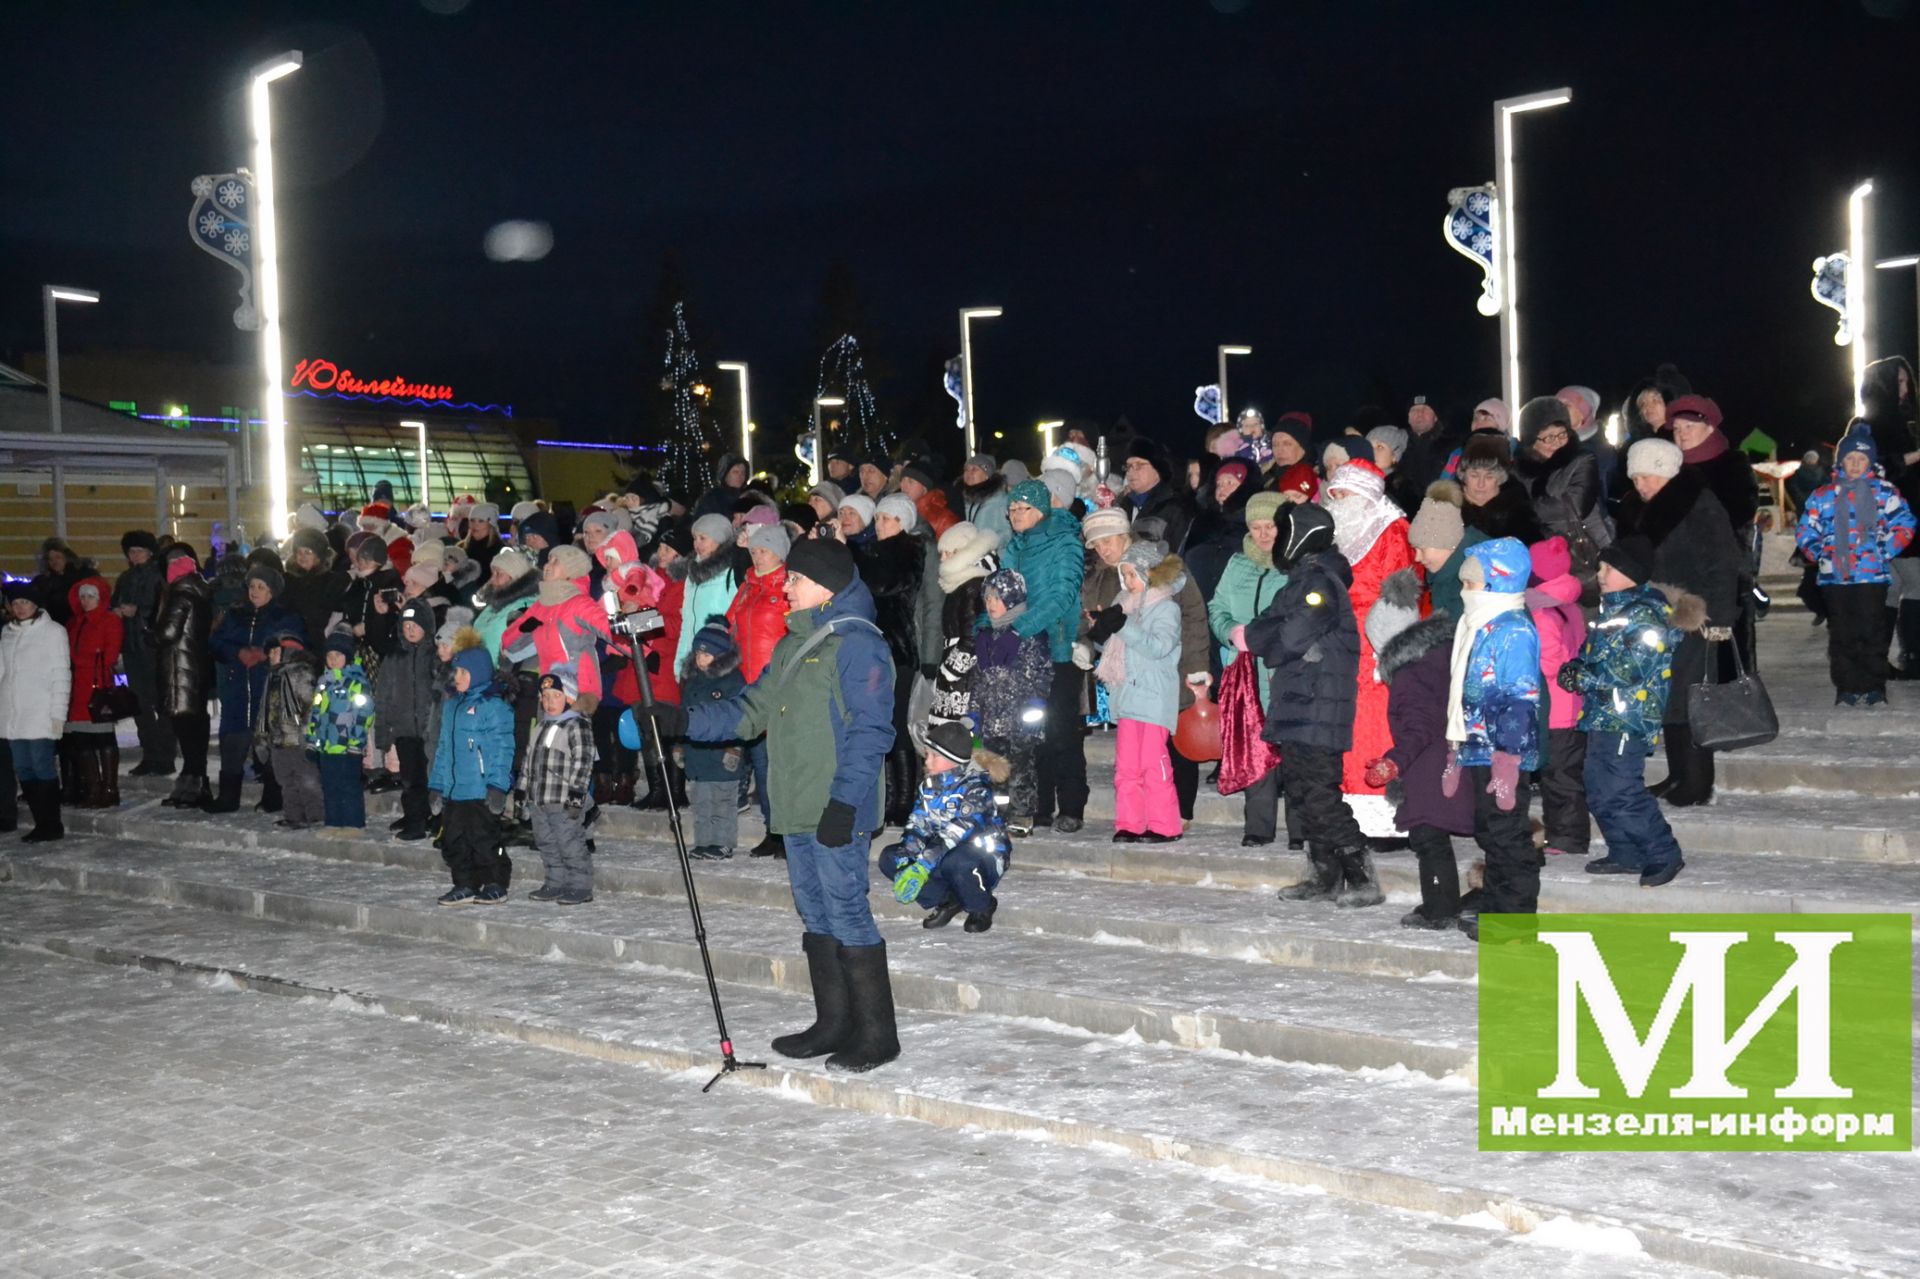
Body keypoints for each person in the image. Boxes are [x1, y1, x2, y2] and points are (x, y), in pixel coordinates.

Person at [649, 537, 900, 1073]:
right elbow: (749, 712)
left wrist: (845, 802)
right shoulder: (792, 645)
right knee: (814, 910)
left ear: (826, 586)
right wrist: (685, 721)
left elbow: (872, 731)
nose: (785, 586)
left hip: (836, 804)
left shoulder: (857, 645)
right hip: (794, 802)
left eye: (795, 579)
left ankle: (877, 1035)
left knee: (847, 909)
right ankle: (834, 1023)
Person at [1240, 505, 1379, 906]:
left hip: (1320, 703)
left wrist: (1263, 637)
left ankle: (1361, 876)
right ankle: (1324, 875)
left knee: (1319, 792)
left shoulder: (1319, 582)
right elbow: (1263, 625)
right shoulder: (1301, 581)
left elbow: (1289, 637)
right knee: (1302, 793)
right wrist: (1262, 634)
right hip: (1301, 701)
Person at [1560, 537, 1698, 887]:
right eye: (1601, 566)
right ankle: (1625, 851)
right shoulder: (1614, 610)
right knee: (1597, 786)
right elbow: (1597, 655)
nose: (1600, 573)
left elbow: (1631, 668)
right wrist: (1576, 665)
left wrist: (1583, 676)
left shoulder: (1646, 613)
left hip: (1629, 718)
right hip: (1602, 716)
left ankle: (1663, 853)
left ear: (1631, 574)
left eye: (1609, 568)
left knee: (1621, 789)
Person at [1613, 438, 1745, 806]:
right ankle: (1678, 775)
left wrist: (1717, 617)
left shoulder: (1699, 503)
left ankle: (1697, 782)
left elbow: (1722, 562)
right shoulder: (1635, 508)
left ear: (1667, 472)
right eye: (1636, 478)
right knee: (1668, 699)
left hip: (1693, 614)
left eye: (1648, 477)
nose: (1641, 486)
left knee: (1692, 699)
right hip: (1653, 614)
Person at [1363, 568, 1474, 929]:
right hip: (1454, 759)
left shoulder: (1410, 675)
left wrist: (1393, 764)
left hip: (1429, 769)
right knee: (1435, 837)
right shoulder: (1440, 655)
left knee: (1429, 838)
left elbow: (1418, 727)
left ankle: (1440, 909)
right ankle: (1447, 904)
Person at [1444, 539, 1544, 940]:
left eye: (1471, 583)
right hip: (1478, 746)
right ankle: (1497, 907)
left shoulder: (1513, 629)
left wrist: (1507, 756)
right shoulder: (1477, 623)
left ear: (1495, 584)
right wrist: (1459, 747)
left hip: (1504, 752)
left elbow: (1520, 698)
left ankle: (1517, 919)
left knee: (1507, 834)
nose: (1464, 590)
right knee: (1491, 831)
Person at [1323, 459, 1414, 839]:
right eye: (1334, 494)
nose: (1337, 501)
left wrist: (1387, 648)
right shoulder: (1342, 533)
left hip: (1374, 644)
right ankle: (1355, 817)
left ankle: (1386, 823)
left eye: (1344, 494)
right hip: (1343, 643)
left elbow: (1399, 593)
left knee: (1377, 731)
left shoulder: (1391, 531)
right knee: (1350, 732)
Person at [1796, 422, 1916, 706]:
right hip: (1834, 577)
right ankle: (1847, 685)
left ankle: (1873, 684)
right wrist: (1818, 553)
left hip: (1871, 576)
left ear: (1870, 463)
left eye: (1861, 459)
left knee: (1872, 631)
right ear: (1840, 461)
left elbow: (1905, 523)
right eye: (1849, 458)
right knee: (1842, 633)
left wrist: (1885, 550)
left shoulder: (1883, 492)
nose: (1855, 464)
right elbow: (1806, 529)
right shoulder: (1825, 495)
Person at [999, 479, 1087, 833]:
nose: (1018, 515)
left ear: (1041, 510)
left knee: (1061, 731)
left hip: (1056, 648)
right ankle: (1037, 806)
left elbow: (1062, 595)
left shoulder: (1064, 541)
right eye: (1013, 509)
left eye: (1025, 508)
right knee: (1029, 732)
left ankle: (1071, 806)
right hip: (1021, 655)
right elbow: (1000, 594)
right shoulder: (1013, 547)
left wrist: (1021, 629)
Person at [1206, 492, 1290, 847]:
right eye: (1255, 527)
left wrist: (1269, 639)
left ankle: (1300, 829)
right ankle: (1258, 826)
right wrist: (1230, 633)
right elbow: (1217, 606)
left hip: (1282, 667)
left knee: (1292, 748)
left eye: (1269, 525)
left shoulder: (1294, 564)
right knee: (1255, 745)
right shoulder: (1238, 564)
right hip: (1243, 672)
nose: (1262, 534)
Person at [878, 720, 1012, 932]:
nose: (927, 761)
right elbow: (918, 824)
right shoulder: (930, 786)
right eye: (927, 754)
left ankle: (982, 905)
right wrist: (907, 856)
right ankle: (948, 899)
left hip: (980, 857)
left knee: (956, 862)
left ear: (953, 761)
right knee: (890, 857)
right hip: (940, 853)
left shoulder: (976, 789)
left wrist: (921, 866)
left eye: (934, 756)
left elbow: (954, 835)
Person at [1095, 541, 1187, 844]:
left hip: (1153, 697)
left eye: (1132, 575)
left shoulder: (1167, 608)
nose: (1127, 582)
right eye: (1125, 576)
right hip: (1128, 698)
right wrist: (1100, 630)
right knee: (1127, 766)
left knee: (1153, 763)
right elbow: (1113, 648)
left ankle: (1164, 824)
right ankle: (1129, 823)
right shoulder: (1125, 606)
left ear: (1149, 575)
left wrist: (1121, 626)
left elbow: (1158, 647)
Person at [429, 628, 519, 905]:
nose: (456, 679)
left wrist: (497, 786)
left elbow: (503, 750)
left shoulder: (493, 708)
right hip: (456, 790)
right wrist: (437, 785)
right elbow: (444, 749)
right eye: (455, 673)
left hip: (480, 789)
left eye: (462, 673)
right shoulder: (452, 706)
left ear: (478, 673)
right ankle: (465, 883)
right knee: (455, 841)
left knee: (484, 840)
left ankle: (495, 881)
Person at [860, 494, 933, 826]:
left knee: (898, 723)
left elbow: (883, 583)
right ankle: (891, 794)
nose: (879, 525)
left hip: (899, 649)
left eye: (886, 519)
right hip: (877, 649)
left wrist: (852, 551)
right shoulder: (877, 552)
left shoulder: (907, 551)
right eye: (877, 519)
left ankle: (905, 797)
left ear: (902, 522)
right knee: (882, 722)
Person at [207, 563, 301, 813]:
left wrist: (266, 653)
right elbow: (215, 643)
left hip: (268, 689)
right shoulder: (235, 614)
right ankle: (228, 797)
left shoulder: (284, 616)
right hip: (238, 689)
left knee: (271, 744)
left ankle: (274, 796)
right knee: (232, 742)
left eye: (261, 587)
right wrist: (237, 652)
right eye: (252, 586)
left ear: (272, 591)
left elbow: (297, 645)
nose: (255, 592)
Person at [726, 520, 791, 856]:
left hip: (779, 684)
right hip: (748, 685)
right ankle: (773, 829)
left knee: (782, 762)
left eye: (764, 550)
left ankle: (789, 829)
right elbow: (731, 625)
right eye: (754, 551)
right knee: (763, 762)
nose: (757, 556)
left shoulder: (789, 587)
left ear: (779, 552)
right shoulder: (748, 586)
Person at [973, 568, 1052, 835]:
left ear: (1012, 599)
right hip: (992, 716)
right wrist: (975, 709)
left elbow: (1040, 674)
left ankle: (1022, 814)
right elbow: (978, 678)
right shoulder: (984, 636)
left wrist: (1034, 709)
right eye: (987, 599)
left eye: (997, 598)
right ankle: (998, 813)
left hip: (1019, 718)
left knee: (1020, 768)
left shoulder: (1027, 635)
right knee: (994, 767)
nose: (991, 604)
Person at [1527, 537, 1590, 859]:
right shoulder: (1567, 605)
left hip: (1556, 709)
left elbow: (1551, 661)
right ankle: (1564, 832)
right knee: (1563, 774)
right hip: (1571, 705)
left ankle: (1568, 837)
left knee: (1560, 777)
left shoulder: (1542, 613)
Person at [1, 580, 72, 842]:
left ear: (35, 605)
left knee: (42, 766)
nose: (20, 608)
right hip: (13, 715)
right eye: (16, 603)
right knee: (24, 768)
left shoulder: (52, 632)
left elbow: (60, 675)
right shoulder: (7, 633)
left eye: (25, 603)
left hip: (40, 711)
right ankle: (40, 821)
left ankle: (51, 823)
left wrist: (57, 715)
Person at [1516, 395, 1609, 590]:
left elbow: (1574, 505)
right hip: (1541, 560)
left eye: (1562, 434)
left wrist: (1521, 510)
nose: (1557, 442)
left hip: (1584, 554)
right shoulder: (1518, 471)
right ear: (1531, 440)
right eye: (1548, 437)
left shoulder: (1582, 459)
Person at [521, 668, 598, 904]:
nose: (549, 702)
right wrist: (522, 790)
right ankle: (555, 882)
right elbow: (528, 760)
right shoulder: (540, 727)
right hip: (539, 798)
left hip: (564, 800)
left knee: (569, 842)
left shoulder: (577, 725)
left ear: (570, 698)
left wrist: (576, 798)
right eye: (545, 697)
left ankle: (580, 885)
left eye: (556, 695)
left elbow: (583, 763)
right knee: (546, 842)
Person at [677, 620, 747, 860]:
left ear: (720, 655)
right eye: (698, 653)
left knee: (722, 801)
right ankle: (704, 841)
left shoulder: (732, 681)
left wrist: (735, 749)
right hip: (697, 753)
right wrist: (679, 745)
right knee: (702, 801)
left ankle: (722, 842)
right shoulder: (693, 682)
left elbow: (741, 717)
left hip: (723, 753)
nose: (700, 658)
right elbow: (684, 714)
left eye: (707, 654)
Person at [378, 600, 445, 841]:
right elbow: (384, 694)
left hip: (431, 731)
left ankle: (435, 819)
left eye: (415, 624)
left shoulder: (436, 656)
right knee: (411, 778)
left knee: (434, 777)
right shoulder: (395, 657)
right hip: (406, 730)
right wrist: (383, 730)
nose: (410, 630)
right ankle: (415, 817)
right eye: (406, 625)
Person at [155, 544, 214, 810]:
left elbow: (168, 632)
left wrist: (149, 633)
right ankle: (192, 783)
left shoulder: (180, 594)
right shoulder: (200, 591)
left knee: (187, 730)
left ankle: (194, 785)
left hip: (181, 668)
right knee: (195, 727)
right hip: (196, 666)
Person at [112, 530, 175, 778]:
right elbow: (115, 602)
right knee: (140, 705)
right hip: (132, 647)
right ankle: (150, 755)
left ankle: (165, 755)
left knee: (161, 702)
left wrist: (137, 611)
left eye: (139, 551)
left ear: (149, 553)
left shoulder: (159, 576)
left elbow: (163, 609)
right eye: (131, 551)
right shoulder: (126, 578)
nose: (134, 555)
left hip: (153, 647)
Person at [931, 521, 1000, 731]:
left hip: (966, 678)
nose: (942, 560)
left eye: (949, 553)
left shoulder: (973, 587)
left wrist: (949, 672)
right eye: (941, 554)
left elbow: (973, 638)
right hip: (960, 675)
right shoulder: (962, 585)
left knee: (958, 735)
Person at [63, 573, 124, 808]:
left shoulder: (108, 621)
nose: (86, 600)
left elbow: (109, 655)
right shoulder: (75, 623)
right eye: (83, 596)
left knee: (103, 737)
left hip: (98, 687)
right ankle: (93, 788)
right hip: (77, 688)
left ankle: (110, 788)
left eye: (91, 596)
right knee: (82, 740)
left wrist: (81, 661)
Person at [304, 631, 373, 831]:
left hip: (346, 747)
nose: (333, 660)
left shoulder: (357, 685)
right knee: (330, 787)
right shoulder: (323, 684)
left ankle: (353, 824)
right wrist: (312, 740)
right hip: (326, 747)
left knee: (349, 787)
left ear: (348, 658)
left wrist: (355, 744)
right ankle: (333, 823)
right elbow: (315, 714)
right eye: (330, 656)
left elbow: (364, 715)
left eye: (338, 656)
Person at [1407, 480, 1483, 622]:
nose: (1417, 558)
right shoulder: (1444, 575)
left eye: (1422, 549)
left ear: (1448, 542)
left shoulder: (1471, 583)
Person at [1120, 439, 1193, 552]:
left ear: (1157, 469)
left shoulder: (1175, 508)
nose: (1131, 472)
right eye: (1128, 466)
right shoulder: (1123, 505)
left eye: (1139, 465)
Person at [29, 538, 93, 627]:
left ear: (66, 557)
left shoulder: (83, 575)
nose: (54, 562)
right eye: (50, 559)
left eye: (57, 557)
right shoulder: (44, 582)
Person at [958, 454, 1012, 548]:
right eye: (966, 469)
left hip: (995, 559)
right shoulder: (963, 499)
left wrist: (985, 545)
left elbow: (1008, 532)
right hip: (971, 557)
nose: (969, 473)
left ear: (987, 475)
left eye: (974, 469)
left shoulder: (1000, 500)